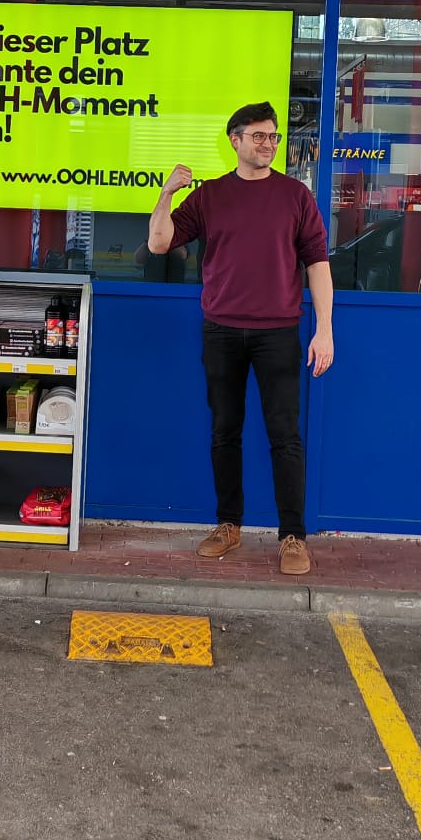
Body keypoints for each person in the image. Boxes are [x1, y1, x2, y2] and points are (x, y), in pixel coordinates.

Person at [146, 101, 334, 577]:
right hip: (222, 331)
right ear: (235, 140)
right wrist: (167, 192)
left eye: (272, 137)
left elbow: (318, 265)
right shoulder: (210, 196)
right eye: (258, 136)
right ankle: (228, 525)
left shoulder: (296, 196)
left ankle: (293, 536)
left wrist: (324, 329)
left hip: (278, 333)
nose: (268, 144)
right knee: (224, 432)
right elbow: (159, 243)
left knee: (285, 437)